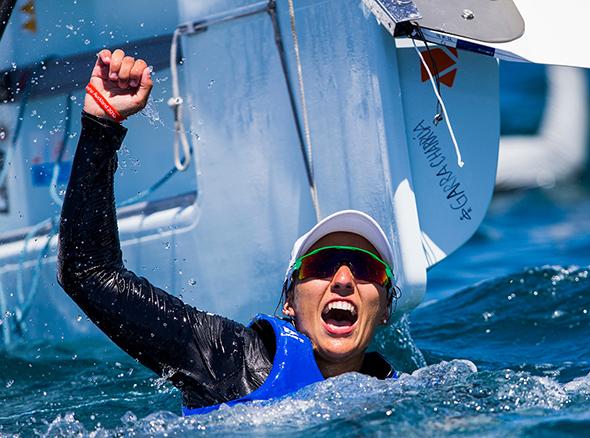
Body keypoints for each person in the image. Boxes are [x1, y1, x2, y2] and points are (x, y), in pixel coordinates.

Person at [57, 49, 399, 416]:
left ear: (385, 309)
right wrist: (101, 127)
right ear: (289, 301)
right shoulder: (229, 359)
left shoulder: (401, 395)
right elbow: (89, 274)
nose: (344, 280)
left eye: (367, 269)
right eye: (323, 264)